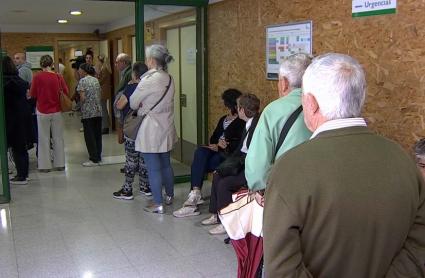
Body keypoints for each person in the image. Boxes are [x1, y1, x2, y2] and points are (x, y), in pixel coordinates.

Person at [264, 53, 425, 277]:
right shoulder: (403, 160)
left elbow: (281, 269)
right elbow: (419, 245)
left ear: (311, 104)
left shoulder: (289, 168)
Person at [173, 89, 245, 218]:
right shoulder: (224, 119)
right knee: (200, 152)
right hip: (216, 151)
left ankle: (193, 199)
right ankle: (195, 193)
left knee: (200, 164)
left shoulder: (241, 121)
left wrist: (223, 145)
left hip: (228, 156)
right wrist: (215, 145)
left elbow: (240, 144)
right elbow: (213, 138)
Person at [245, 53, 312, 191]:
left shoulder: (273, 111)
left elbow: (256, 172)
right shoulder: (327, 106)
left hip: (285, 193)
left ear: (284, 83)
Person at [202, 94, 261, 235]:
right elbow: (240, 150)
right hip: (243, 161)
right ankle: (217, 215)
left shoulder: (256, 126)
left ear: (241, 110)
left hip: (251, 167)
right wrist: (224, 168)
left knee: (225, 183)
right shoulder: (249, 124)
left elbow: (251, 154)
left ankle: (226, 222)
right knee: (217, 175)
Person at [130, 44, 177, 214]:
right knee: (166, 163)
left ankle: (157, 203)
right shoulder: (169, 78)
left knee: (153, 167)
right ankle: (169, 196)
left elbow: (133, 103)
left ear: (151, 60)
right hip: (167, 125)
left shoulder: (148, 80)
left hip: (151, 128)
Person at [113, 62, 151, 200]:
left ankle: (127, 190)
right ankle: (145, 187)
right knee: (143, 159)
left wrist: (127, 88)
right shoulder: (150, 87)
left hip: (132, 128)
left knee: (131, 159)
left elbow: (120, 104)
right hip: (147, 128)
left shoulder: (132, 87)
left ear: (134, 74)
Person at [30, 55, 68, 172]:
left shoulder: (37, 77)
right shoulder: (58, 76)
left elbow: (33, 94)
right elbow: (66, 91)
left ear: (41, 65)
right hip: (56, 110)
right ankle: (60, 164)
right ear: (51, 64)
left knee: (43, 138)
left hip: (42, 111)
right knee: (58, 138)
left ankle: (45, 166)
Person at [3, 56, 34, 184]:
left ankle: (21, 176)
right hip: (24, 117)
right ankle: (24, 174)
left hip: (11, 119)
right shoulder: (20, 81)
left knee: (16, 148)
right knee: (21, 148)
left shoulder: (5, 83)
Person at [77, 63, 103, 167]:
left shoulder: (82, 81)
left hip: (88, 112)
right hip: (98, 111)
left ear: (84, 71)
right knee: (97, 135)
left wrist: (79, 105)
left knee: (89, 136)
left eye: (79, 70)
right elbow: (99, 94)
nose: (79, 71)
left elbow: (82, 98)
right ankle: (98, 156)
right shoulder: (95, 80)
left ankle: (93, 158)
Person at [114, 53, 132, 148]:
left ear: (124, 62)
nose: (115, 65)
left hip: (126, 107)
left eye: (117, 62)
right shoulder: (124, 73)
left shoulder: (129, 73)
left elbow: (128, 90)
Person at [97, 54, 112, 134]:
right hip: (104, 90)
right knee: (103, 109)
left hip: (103, 90)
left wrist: (96, 81)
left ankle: (105, 127)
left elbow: (102, 80)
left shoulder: (105, 68)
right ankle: (105, 125)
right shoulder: (104, 68)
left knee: (103, 109)